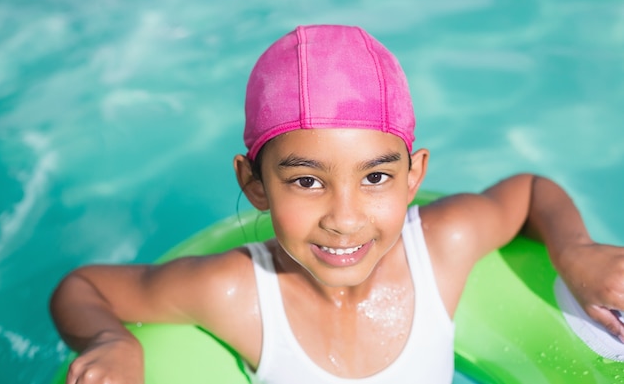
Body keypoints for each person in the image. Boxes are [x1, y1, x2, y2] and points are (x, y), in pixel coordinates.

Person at [50, 24, 624, 384]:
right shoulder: (235, 293)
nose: (345, 218)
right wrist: (112, 341)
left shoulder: (443, 248)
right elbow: (83, 288)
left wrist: (575, 251)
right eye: (306, 182)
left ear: (413, 175)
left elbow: (527, 190)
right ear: (254, 185)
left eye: (375, 176)